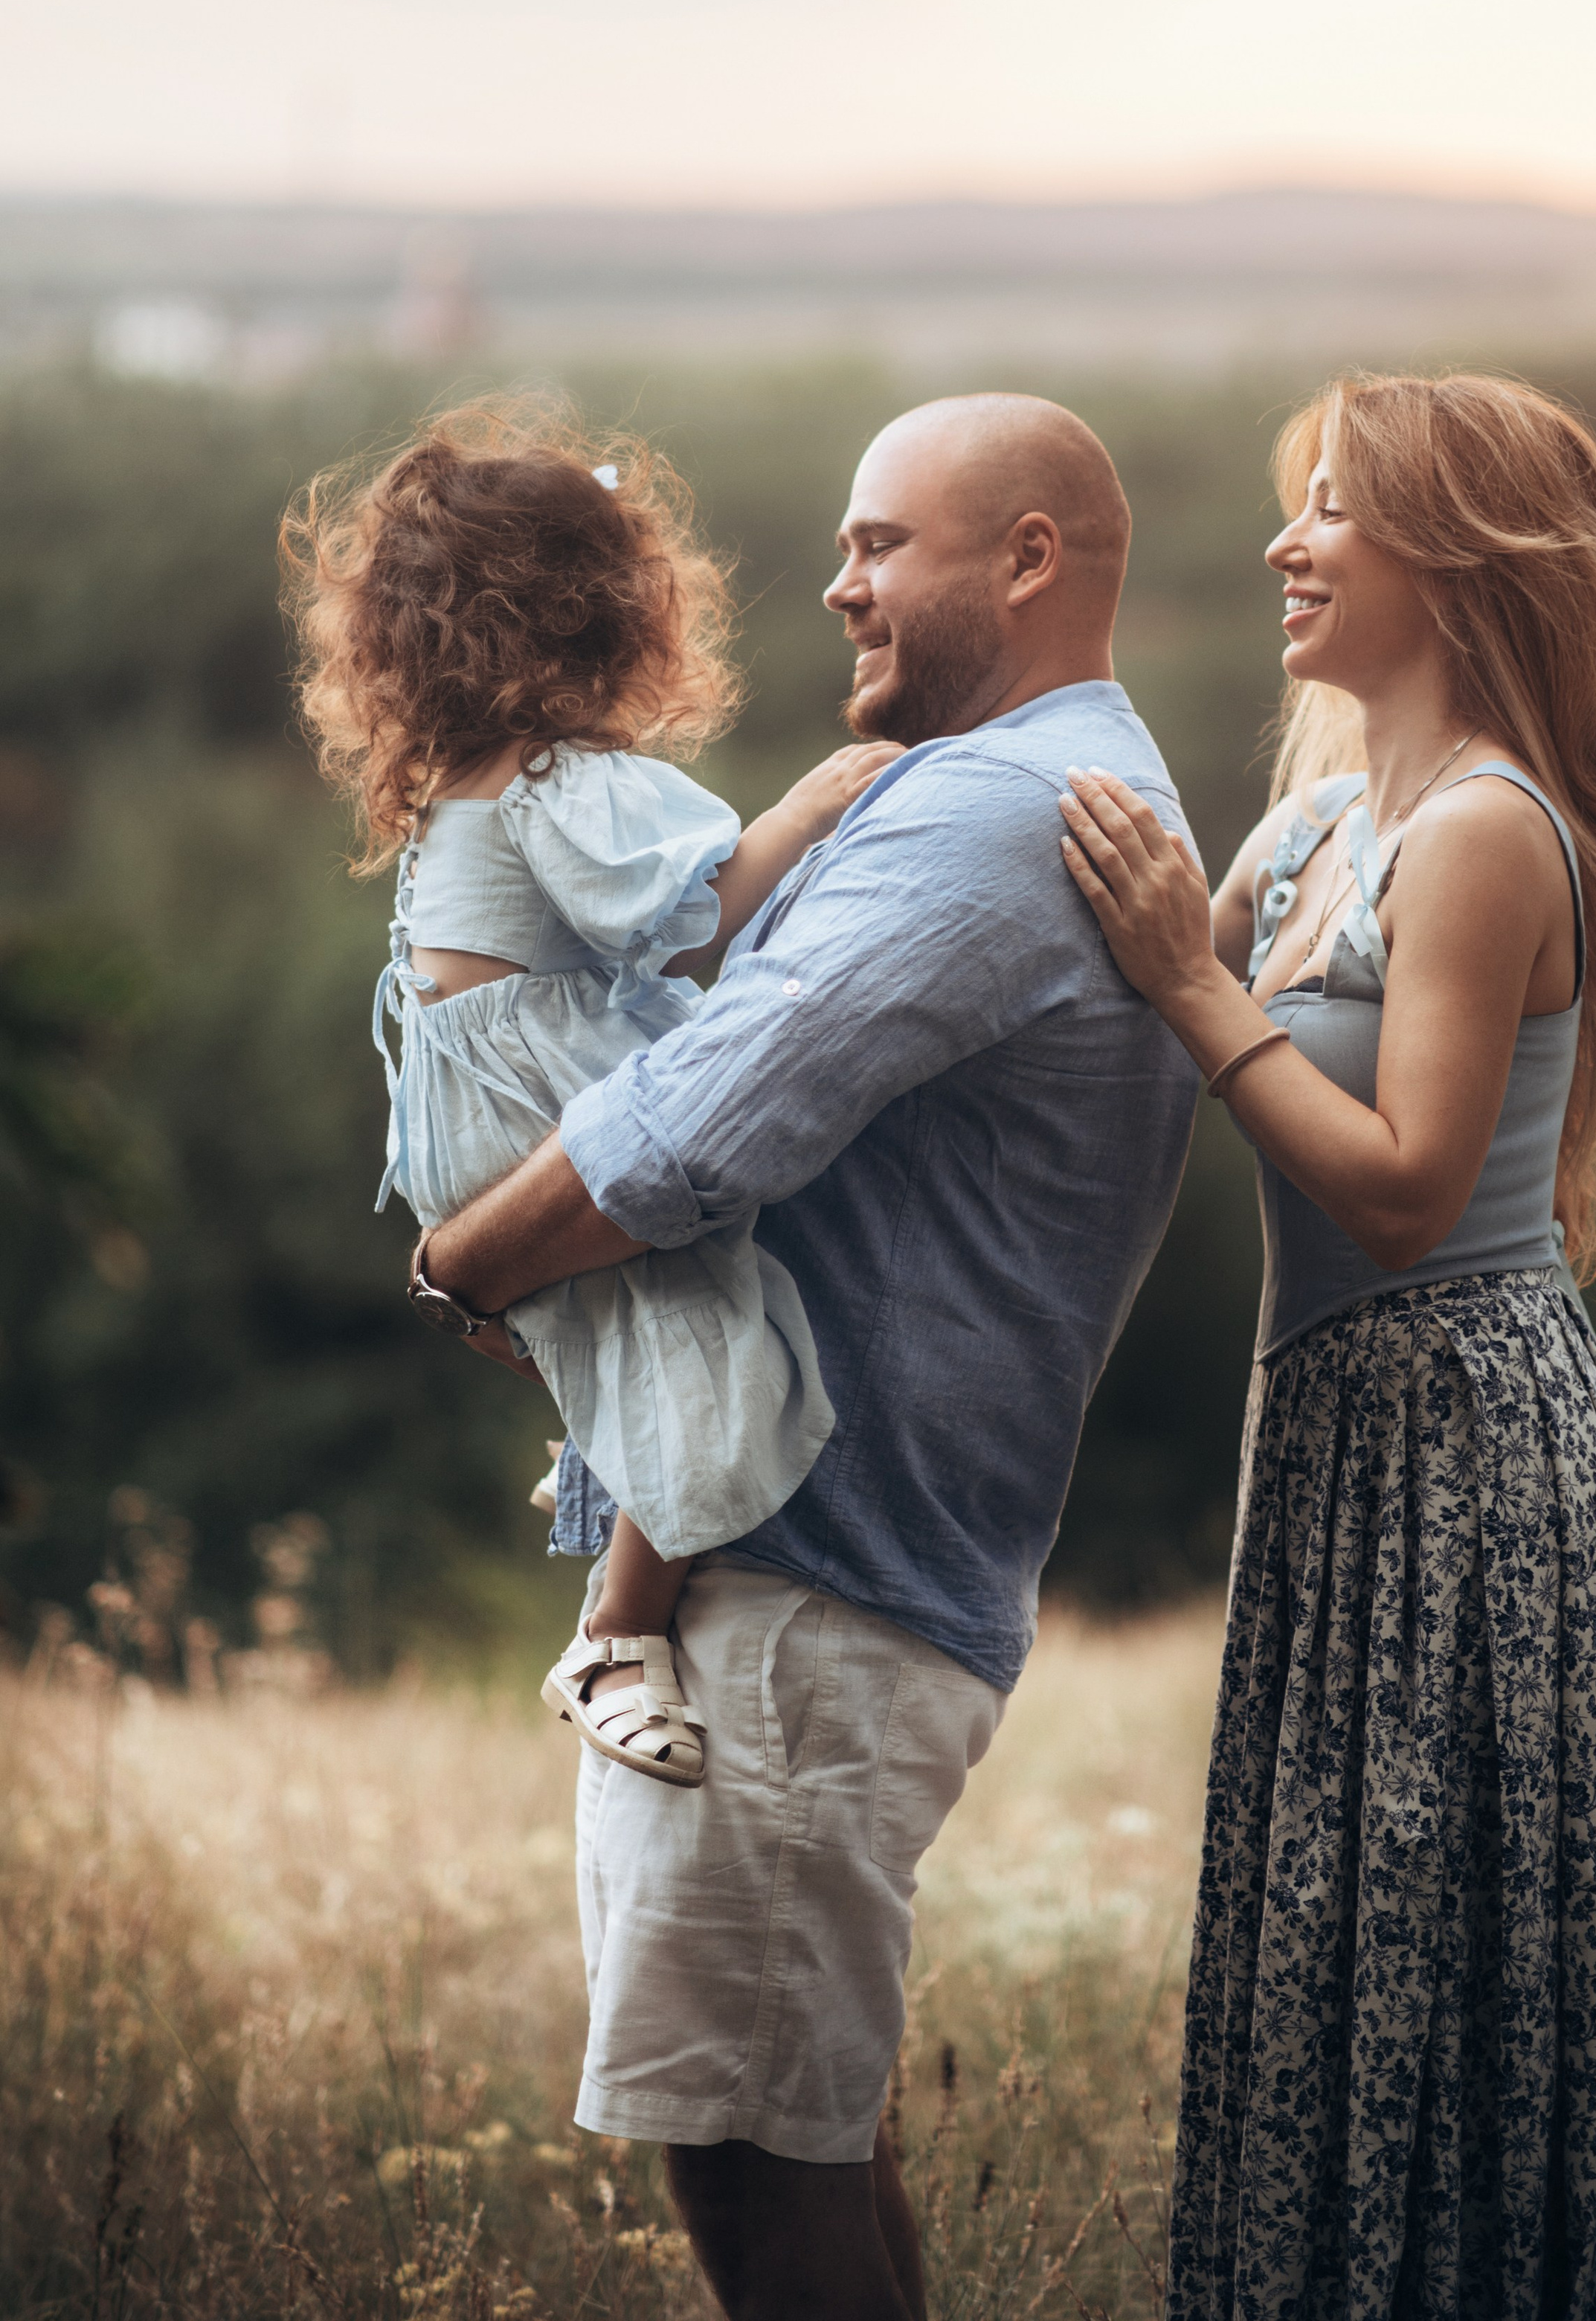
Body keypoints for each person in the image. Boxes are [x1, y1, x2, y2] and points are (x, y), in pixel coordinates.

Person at [418, 391, 1200, 2321]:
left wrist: (465, 1261)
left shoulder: (997, 811)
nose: (839, 584)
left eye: (880, 544)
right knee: (796, 2134)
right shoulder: (1030, 790)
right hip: (815, 1589)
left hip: (808, 1590)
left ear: (1026, 558)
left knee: (754, 2163)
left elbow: (697, 1125)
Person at [1059, 374, 1596, 2320]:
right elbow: (1123, 1021)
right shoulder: (1316, 826)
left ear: (1456, 560)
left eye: (1332, 511)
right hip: (1340, 1449)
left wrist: (1191, 981)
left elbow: (1399, 1191)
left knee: (1442, 1974)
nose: (1284, 544)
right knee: (1348, 1955)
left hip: (1472, 1467)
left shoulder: (1480, 833)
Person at [281, 399, 898, 1782]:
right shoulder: (557, 776)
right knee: (716, 1351)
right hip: (548, 1109)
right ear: (602, 617)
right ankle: (618, 1633)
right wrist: (809, 812)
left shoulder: (459, 776)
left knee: (637, 1330)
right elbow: (689, 924)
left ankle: (604, 1458)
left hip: (466, 1123)